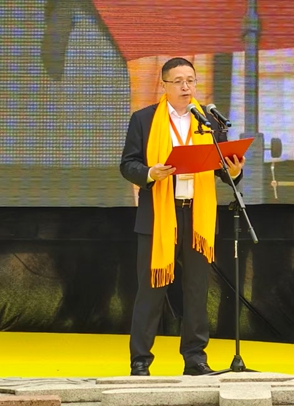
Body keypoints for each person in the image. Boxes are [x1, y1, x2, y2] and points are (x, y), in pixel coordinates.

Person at [119, 57, 245, 376]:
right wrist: (151, 172)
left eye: (191, 80)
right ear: (164, 85)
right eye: (178, 81)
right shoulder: (145, 119)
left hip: (197, 214)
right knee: (151, 289)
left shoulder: (208, 121)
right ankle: (140, 361)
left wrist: (233, 172)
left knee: (196, 290)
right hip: (159, 214)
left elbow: (221, 167)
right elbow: (128, 164)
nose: (186, 86)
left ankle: (195, 358)